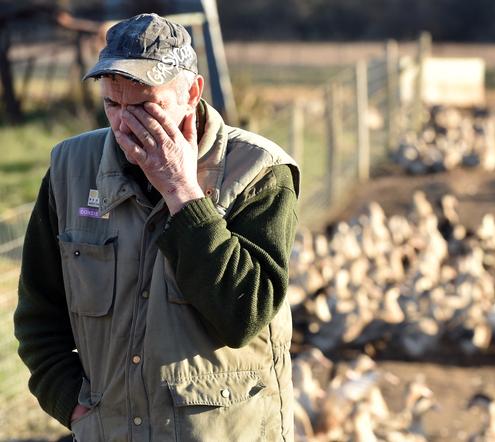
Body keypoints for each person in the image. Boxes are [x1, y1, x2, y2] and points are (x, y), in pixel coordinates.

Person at [14, 13, 299, 441]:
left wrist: (183, 192)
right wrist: (73, 406)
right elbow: (39, 315)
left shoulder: (259, 171)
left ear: (192, 93)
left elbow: (245, 316)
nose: (125, 126)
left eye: (146, 107)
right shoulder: (70, 168)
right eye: (113, 105)